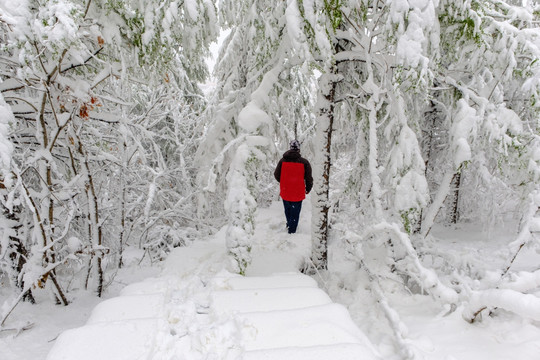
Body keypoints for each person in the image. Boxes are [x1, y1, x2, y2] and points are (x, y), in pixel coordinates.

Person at [274, 140, 313, 234]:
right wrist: (308, 188)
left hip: (285, 190)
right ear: (299, 149)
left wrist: (284, 182)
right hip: (298, 191)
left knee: (287, 209)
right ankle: (292, 231)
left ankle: (289, 224)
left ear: (290, 148)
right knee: (295, 211)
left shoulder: (282, 161)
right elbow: (309, 178)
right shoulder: (304, 162)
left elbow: (276, 174)